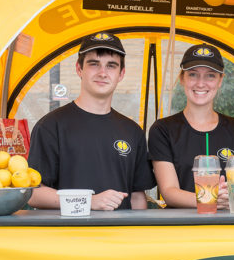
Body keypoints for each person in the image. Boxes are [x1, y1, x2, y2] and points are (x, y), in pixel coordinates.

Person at [28, 31, 155, 210]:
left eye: (111, 66)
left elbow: (136, 196)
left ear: (121, 74)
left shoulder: (132, 131)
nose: (103, 73)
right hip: (68, 236)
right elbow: (34, 193)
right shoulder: (50, 126)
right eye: (94, 64)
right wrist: (88, 202)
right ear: (79, 69)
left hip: (120, 236)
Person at [149, 43, 234, 209]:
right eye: (193, 74)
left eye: (210, 76)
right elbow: (169, 192)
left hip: (228, 228)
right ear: (182, 79)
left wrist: (225, 197)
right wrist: (211, 199)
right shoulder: (162, 130)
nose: (201, 83)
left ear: (220, 80)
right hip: (180, 228)